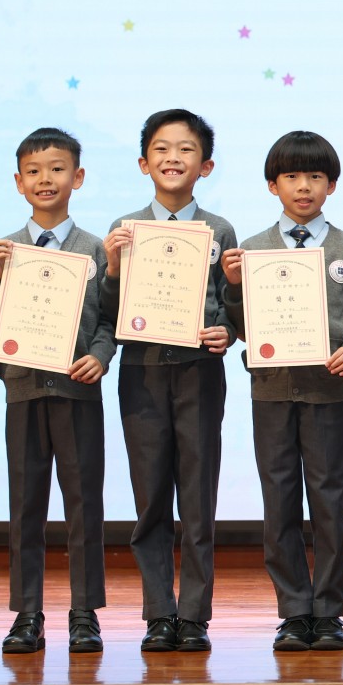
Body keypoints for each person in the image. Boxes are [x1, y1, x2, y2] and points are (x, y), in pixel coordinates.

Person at [219, 130, 343, 653]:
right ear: (273, 185)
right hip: (271, 391)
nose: (303, 186)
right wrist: (234, 286)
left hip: (327, 392)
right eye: (291, 176)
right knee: (279, 502)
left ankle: (328, 613)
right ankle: (293, 611)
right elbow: (241, 326)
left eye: (315, 176)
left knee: (329, 502)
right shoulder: (252, 250)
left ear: (332, 185)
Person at [0, 127, 115, 656]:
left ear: (78, 177)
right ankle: (27, 612)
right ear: (18, 182)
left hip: (78, 394)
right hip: (23, 392)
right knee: (25, 506)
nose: (45, 179)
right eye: (33, 171)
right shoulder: (4, 249)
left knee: (84, 505)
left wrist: (100, 356)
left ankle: (84, 612)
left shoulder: (95, 248)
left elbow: (109, 319)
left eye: (56, 169)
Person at [99, 109, 238, 655]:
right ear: (143, 163)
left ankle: (195, 615)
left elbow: (230, 306)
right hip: (142, 372)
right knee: (151, 497)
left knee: (199, 500)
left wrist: (228, 330)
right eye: (161, 149)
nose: (173, 158)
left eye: (185, 149)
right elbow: (106, 313)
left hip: (200, 372)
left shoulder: (219, 230)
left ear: (206, 166)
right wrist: (113, 269)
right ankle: (159, 613)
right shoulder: (125, 229)